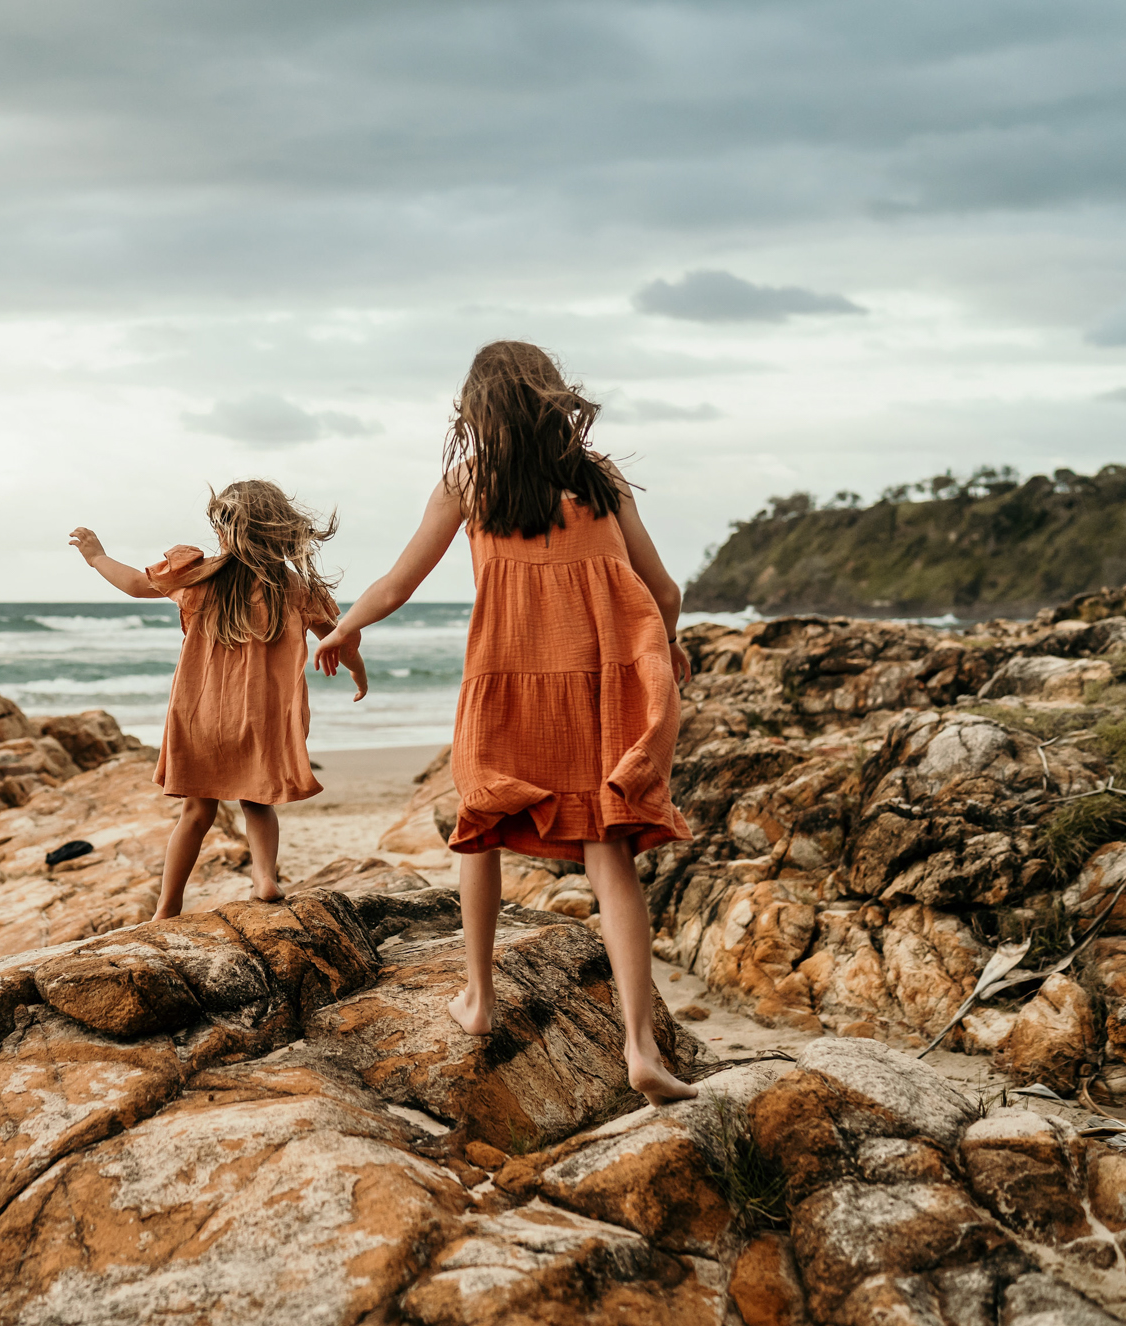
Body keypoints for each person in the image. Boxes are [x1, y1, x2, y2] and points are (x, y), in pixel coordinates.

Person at [313, 341, 697, 1104]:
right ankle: (641, 1044)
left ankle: (480, 997)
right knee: (608, 853)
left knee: (482, 827)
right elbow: (664, 587)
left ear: (477, 410)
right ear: (555, 397)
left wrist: (345, 627)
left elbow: (398, 582)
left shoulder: (468, 481)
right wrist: (670, 647)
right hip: (596, 688)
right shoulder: (601, 479)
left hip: (506, 682)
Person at [71, 480, 366, 919]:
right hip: (264, 717)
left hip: (200, 714)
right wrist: (359, 673)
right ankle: (264, 877)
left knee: (196, 811)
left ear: (227, 530)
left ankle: (167, 906)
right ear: (280, 530)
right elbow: (342, 638)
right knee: (257, 802)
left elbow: (134, 584)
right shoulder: (297, 589)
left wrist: (97, 558)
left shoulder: (197, 574)